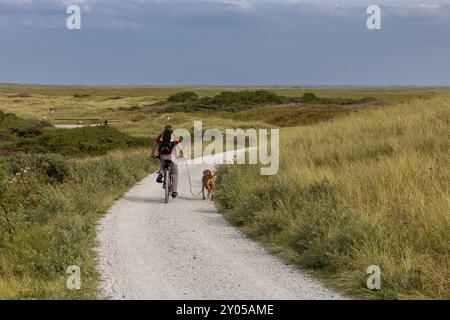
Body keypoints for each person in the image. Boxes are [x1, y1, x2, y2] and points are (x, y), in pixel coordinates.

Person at [151, 125, 184, 198]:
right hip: (172, 157)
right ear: (171, 130)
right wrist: (182, 154)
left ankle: (161, 174)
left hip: (162, 156)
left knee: (162, 165)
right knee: (175, 173)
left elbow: (154, 146)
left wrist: (152, 154)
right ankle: (174, 191)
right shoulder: (174, 136)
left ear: (164, 129)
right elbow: (180, 147)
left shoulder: (160, 136)